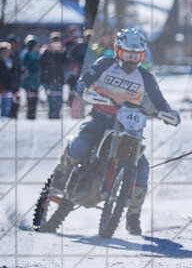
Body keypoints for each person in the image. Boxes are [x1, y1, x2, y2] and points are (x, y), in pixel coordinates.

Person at [50, 27, 181, 235]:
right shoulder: (105, 64)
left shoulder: (145, 76)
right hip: (100, 118)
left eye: (135, 55)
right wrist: (86, 92)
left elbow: (159, 101)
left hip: (128, 126)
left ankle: (133, 216)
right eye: (126, 54)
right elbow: (83, 83)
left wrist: (168, 113)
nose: (130, 59)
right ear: (117, 50)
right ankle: (60, 177)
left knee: (143, 167)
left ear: (141, 55)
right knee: (81, 143)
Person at [39, 32, 67, 119]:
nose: (55, 43)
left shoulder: (61, 53)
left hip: (59, 79)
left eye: (57, 41)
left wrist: (63, 52)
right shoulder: (46, 53)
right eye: (54, 41)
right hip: (49, 79)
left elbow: (66, 63)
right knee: (51, 99)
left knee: (59, 98)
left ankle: (57, 114)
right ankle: (51, 115)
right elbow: (41, 65)